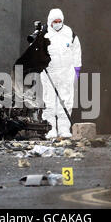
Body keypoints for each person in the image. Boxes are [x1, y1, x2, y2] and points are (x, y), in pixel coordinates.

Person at [40, 8, 82, 139]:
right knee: (49, 101)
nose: (57, 23)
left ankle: (64, 129)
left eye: (59, 21)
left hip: (66, 73)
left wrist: (77, 68)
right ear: (50, 21)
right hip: (49, 74)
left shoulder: (69, 33)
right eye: (55, 21)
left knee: (66, 101)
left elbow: (76, 50)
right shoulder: (44, 33)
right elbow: (35, 52)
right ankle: (50, 129)